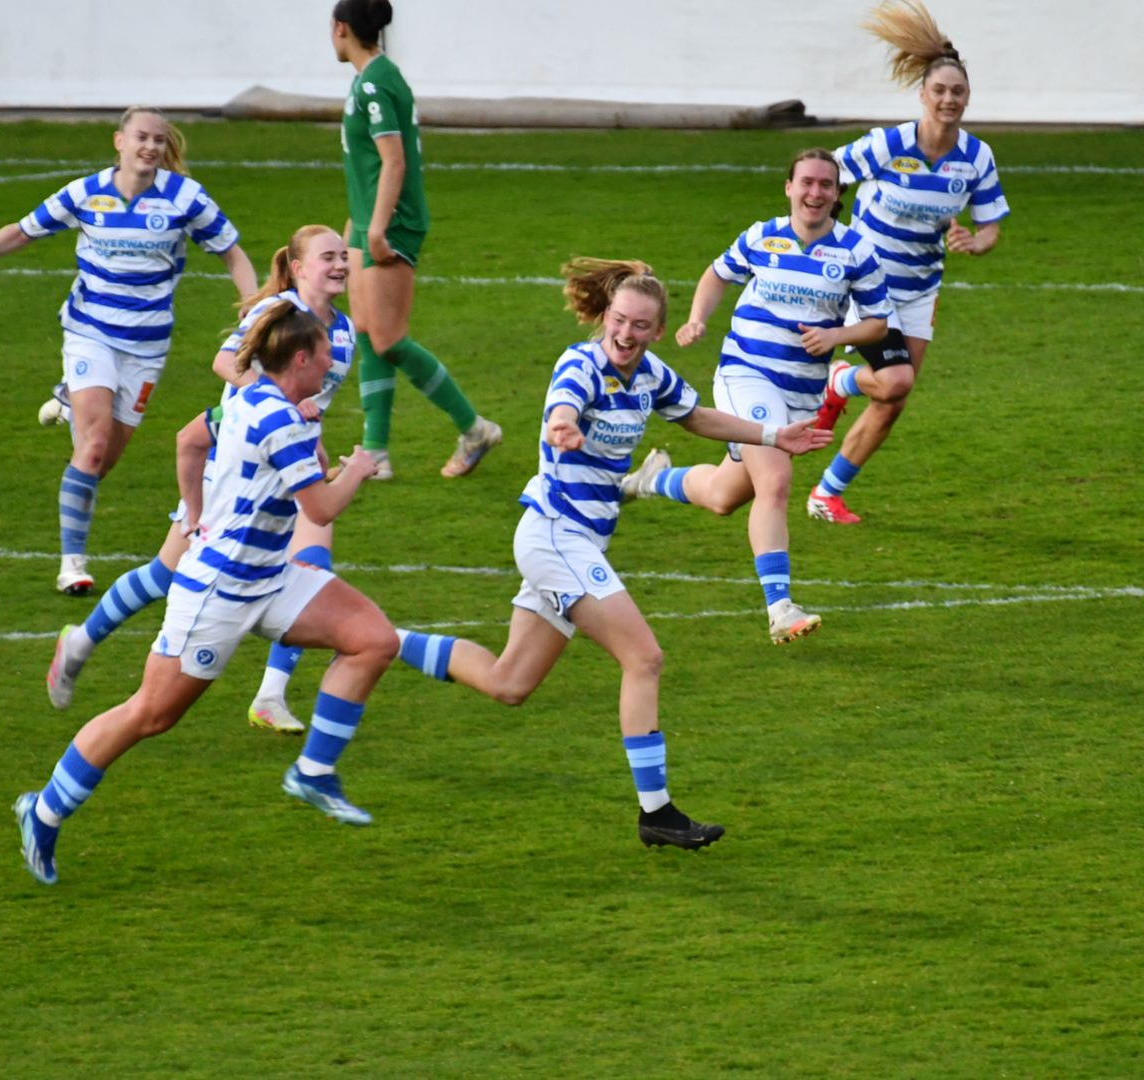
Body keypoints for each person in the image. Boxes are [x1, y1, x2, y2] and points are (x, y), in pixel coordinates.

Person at [385, 258, 834, 850]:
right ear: (605, 316)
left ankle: (380, 640)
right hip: (555, 535)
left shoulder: (650, 375)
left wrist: (774, 435)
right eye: (619, 320)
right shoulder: (581, 365)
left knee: (508, 682)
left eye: (640, 326)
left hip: (572, 542)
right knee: (644, 658)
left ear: (657, 331)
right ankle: (657, 813)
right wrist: (562, 426)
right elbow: (564, 406)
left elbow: (697, 416)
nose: (626, 333)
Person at [12, 301, 397, 886]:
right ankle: (42, 812)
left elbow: (190, 439)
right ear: (300, 359)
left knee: (373, 639)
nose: (332, 363)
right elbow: (320, 508)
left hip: (270, 577)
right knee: (149, 714)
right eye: (325, 354)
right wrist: (359, 469)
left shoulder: (250, 399)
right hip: (219, 591)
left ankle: (313, 772)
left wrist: (195, 512)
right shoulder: (282, 420)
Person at [0, 106, 258, 595]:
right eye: (141, 137)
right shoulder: (86, 193)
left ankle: (69, 398)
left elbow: (232, 252)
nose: (150, 147)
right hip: (90, 332)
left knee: (102, 461)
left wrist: (253, 313)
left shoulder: (185, 198)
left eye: (158, 140)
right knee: (94, 444)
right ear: (119, 141)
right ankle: (72, 564)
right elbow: (23, 230)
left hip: (146, 347)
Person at [46, 225, 357, 737]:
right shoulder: (276, 313)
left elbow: (312, 405)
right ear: (300, 268)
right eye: (329, 257)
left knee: (311, 563)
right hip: (236, 469)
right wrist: (274, 400)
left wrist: (313, 444)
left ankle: (270, 695)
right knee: (164, 575)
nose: (341, 264)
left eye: (343, 256)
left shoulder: (343, 333)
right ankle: (80, 641)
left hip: (289, 468)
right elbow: (225, 361)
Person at [620, 149, 892, 643]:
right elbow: (717, 273)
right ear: (789, 187)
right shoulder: (761, 236)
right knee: (776, 479)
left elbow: (878, 323)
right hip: (745, 374)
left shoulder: (856, 251)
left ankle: (651, 480)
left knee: (723, 496)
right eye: (806, 182)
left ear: (837, 193)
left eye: (825, 184)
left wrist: (836, 336)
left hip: (801, 392)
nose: (815, 192)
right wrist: (698, 318)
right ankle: (780, 608)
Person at [802, 0, 1008, 525]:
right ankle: (838, 383)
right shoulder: (888, 144)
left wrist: (977, 241)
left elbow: (990, 226)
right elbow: (827, 175)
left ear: (968, 97)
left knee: (893, 399)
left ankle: (826, 493)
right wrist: (824, 231)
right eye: (939, 90)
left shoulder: (976, 158)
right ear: (922, 94)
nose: (948, 99)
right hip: (868, 284)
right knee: (895, 382)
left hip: (920, 288)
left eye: (957, 92)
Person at [330, 0, 502, 479]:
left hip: (393, 222)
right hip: (368, 220)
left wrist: (377, 228)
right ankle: (375, 454)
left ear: (340, 28)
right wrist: (355, 227)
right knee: (367, 331)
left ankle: (474, 428)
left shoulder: (375, 84)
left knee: (389, 338)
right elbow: (369, 167)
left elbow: (394, 161)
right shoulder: (372, 78)